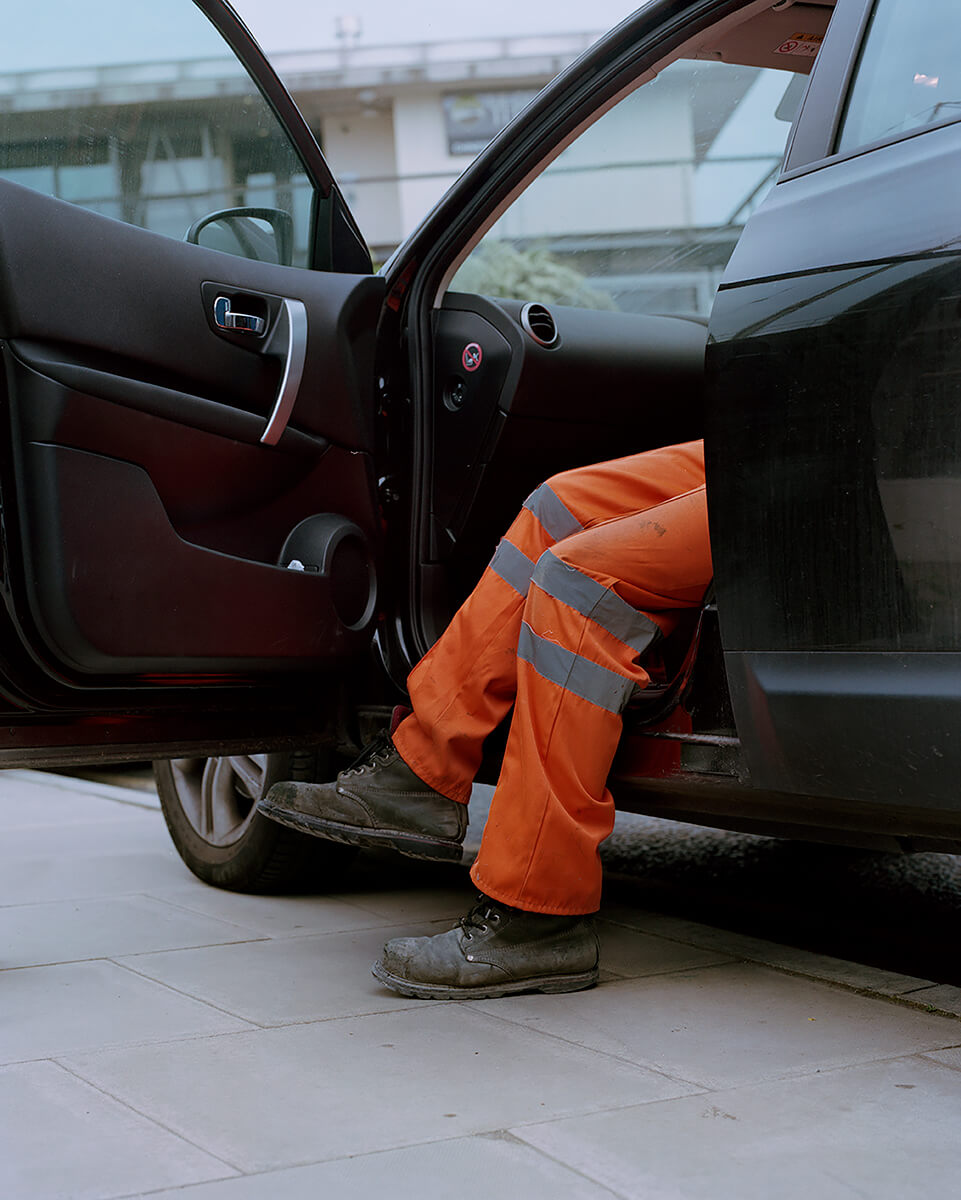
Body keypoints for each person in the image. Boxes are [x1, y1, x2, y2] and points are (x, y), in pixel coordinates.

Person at [259, 440, 712, 999]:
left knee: (575, 585)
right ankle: (423, 766)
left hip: (833, 463)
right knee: (558, 505)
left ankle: (541, 912)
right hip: (773, 431)